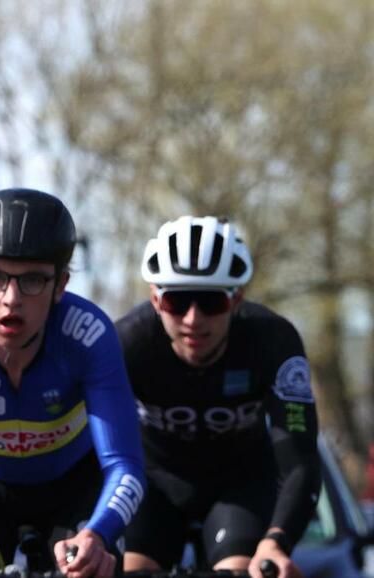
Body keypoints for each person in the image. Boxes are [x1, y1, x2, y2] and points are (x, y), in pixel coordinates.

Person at [0, 189, 146, 578]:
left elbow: (126, 467)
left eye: (33, 280)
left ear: (60, 285)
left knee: (92, 569)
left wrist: (98, 536)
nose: (11, 298)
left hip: (72, 488)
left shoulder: (89, 336)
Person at [117, 216, 321, 578]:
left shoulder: (274, 341)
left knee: (243, 570)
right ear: (155, 299)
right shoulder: (127, 344)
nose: (194, 319)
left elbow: (301, 459)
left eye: (211, 302)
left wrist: (277, 541)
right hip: (154, 484)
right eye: (177, 302)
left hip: (239, 485)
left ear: (236, 299)